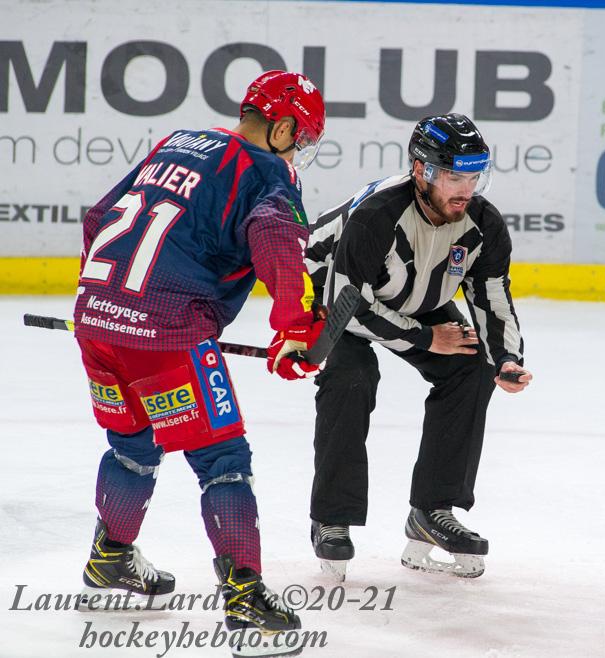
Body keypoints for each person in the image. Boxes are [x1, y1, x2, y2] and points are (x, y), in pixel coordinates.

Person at [72, 70, 326, 655]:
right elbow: (272, 235)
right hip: (170, 336)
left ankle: (110, 557)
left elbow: (98, 218)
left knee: (131, 446)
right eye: (300, 137)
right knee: (223, 461)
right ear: (283, 127)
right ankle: (244, 596)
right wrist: (293, 327)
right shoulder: (270, 174)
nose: (298, 149)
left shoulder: (178, 142)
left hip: (97, 322)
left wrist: (107, 301)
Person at [304, 113, 531, 581]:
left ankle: (432, 511)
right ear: (422, 170)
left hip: (414, 299)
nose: (465, 189)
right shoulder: (377, 215)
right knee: (351, 378)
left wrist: (507, 357)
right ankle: (332, 517)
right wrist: (428, 338)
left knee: (473, 368)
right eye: (454, 175)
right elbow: (351, 305)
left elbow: (492, 296)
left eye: (474, 175)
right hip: (339, 300)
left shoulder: (482, 221)